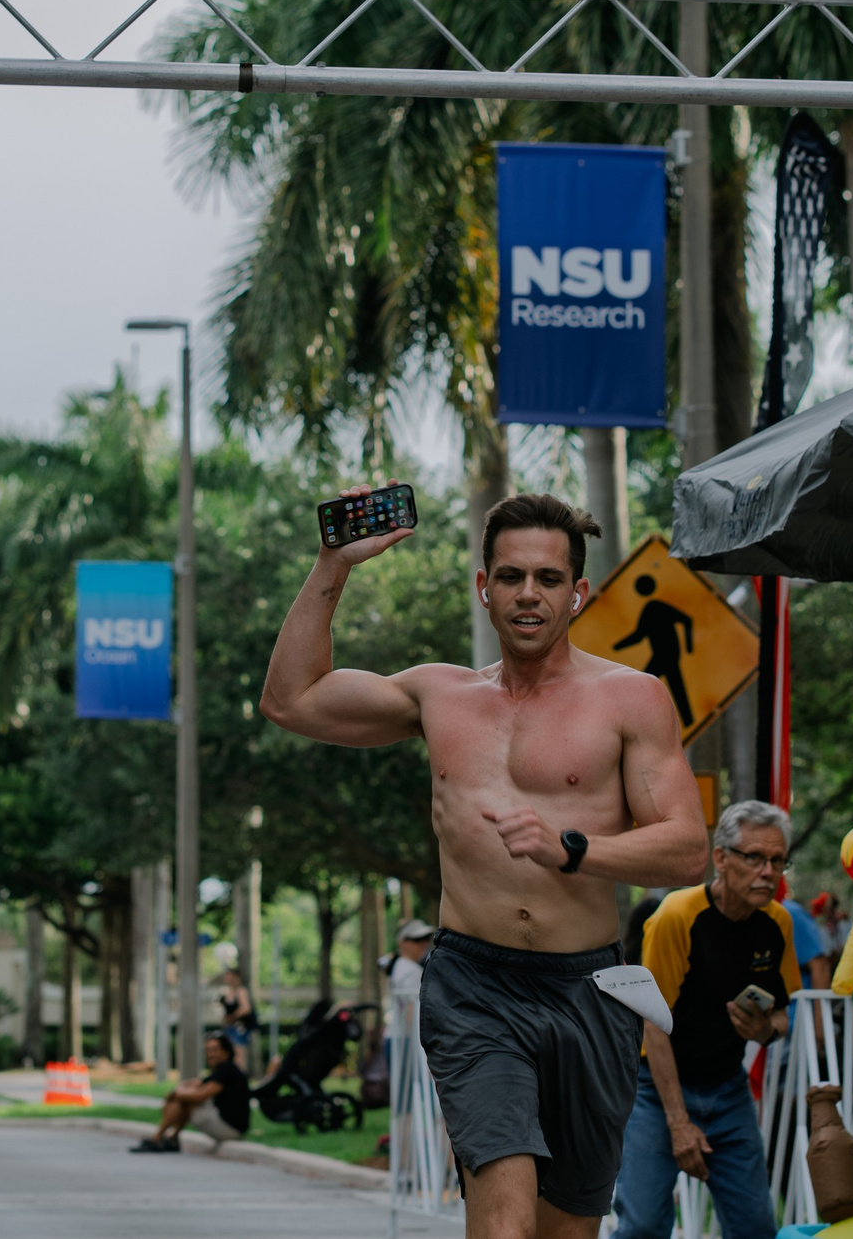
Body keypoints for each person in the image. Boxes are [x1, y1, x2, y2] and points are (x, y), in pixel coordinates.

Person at [262, 489, 711, 1239]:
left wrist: (575, 848)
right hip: (474, 985)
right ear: (484, 587)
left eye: (545, 578)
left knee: (566, 1227)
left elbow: (687, 845)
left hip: (588, 989)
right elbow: (292, 699)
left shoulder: (631, 698)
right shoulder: (441, 695)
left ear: (578, 592)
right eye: (509, 576)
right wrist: (332, 564)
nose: (527, 593)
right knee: (503, 1217)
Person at [614, 802, 801, 1239]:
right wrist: (679, 1124)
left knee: (756, 1226)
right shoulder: (677, 916)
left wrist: (766, 1031)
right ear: (721, 858)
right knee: (641, 1226)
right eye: (755, 857)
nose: (768, 871)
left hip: (727, 1087)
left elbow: (781, 1014)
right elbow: (651, 1023)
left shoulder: (778, 922)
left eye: (777, 860)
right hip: (653, 1091)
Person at [131, 1031, 251, 1152]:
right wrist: (179, 1090)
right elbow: (198, 1083)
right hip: (231, 1127)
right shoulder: (225, 1069)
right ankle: (171, 1138)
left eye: (214, 1050)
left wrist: (175, 1094)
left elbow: (200, 1096)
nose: (210, 1054)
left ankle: (157, 1138)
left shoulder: (227, 1070)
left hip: (231, 1130)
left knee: (185, 1100)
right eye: (208, 1050)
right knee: (184, 1096)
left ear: (226, 1052)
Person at [611, 575, 697, 728]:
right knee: (675, 689)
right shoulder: (651, 608)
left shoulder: (655, 607)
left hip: (666, 656)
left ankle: (631, 722)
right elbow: (639, 636)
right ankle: (688, 721)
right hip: (665, 656)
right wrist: (617, 645)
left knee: (642, 686)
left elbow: (687, 620)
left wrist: (689, 647)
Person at [389, 918, 435, 1003]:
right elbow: (413, 1009)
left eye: (426, 938)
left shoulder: (399, 964)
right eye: (417, 939)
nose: (424, 944)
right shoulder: (411, 971)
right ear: (402, 942)